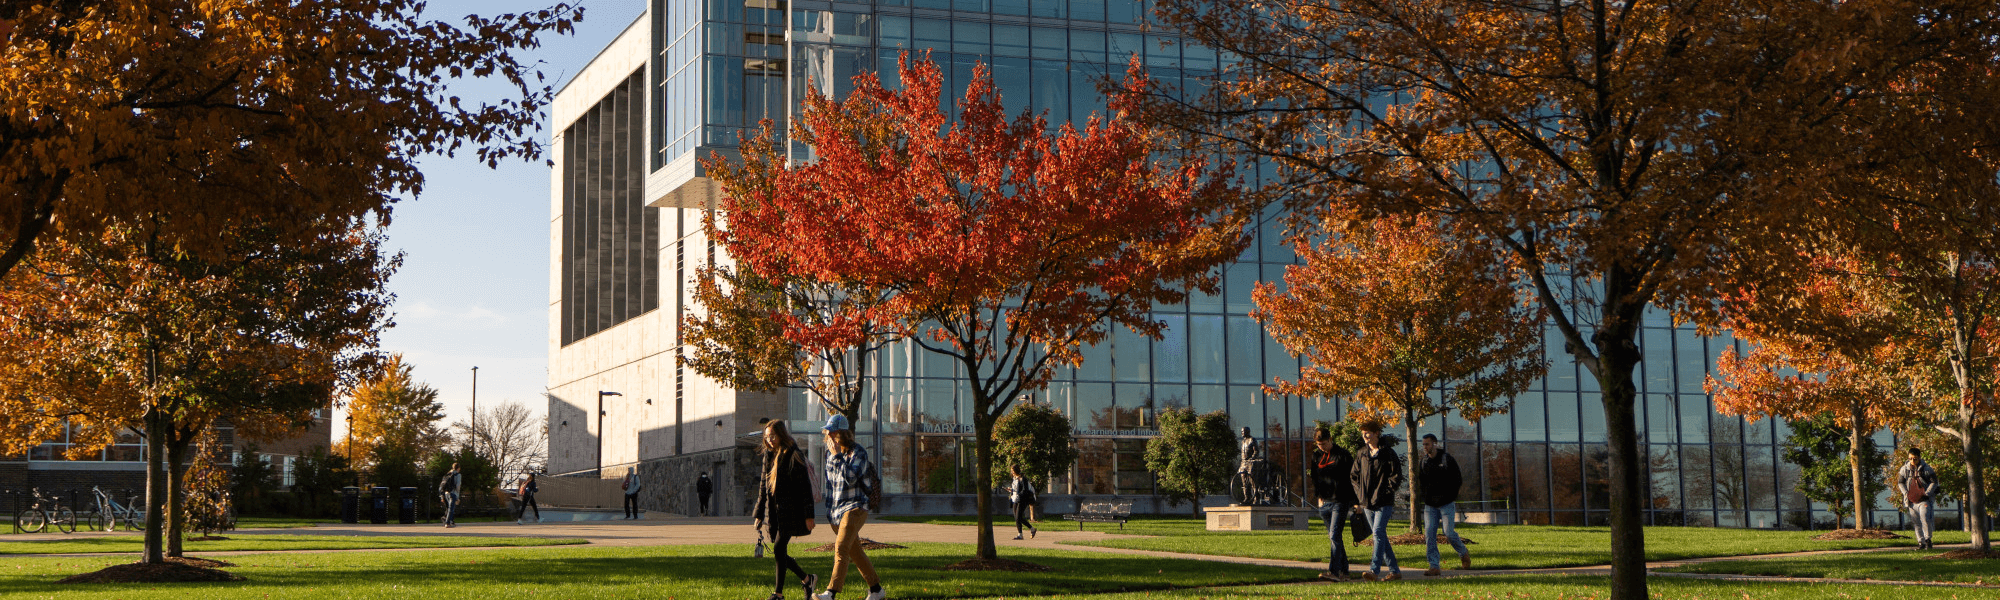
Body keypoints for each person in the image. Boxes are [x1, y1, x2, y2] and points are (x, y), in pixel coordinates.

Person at [814, 414, 884, 600]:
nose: (829, 435)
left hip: (855, 507)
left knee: (841, 549)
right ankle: (876, 589)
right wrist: (829, 514)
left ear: (842, 434)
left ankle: (831, 592)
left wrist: (838, 456)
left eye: (832, 432)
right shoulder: (830, 455)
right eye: (827, 432)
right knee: (856, 552)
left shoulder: (858, 452)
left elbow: (851, 478)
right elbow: (831, 486)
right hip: (836, 512)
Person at [752, 420, 818, 600]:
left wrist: (809, 515)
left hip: (792, 511)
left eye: (772, 436)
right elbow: (763, 485)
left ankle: (778, 594)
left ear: (781, 434)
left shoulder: (793, 454)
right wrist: (759, 513)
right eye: (767, 437)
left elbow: (805, 487)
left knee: (779, 548)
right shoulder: (768, 454)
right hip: (775, 512)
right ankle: (807, 579)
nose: (770, 440)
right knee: (779, 551)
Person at [1351, 421, 1403, 581]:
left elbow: (1396, 476)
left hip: (1383, 502)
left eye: (1367, 432)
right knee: (1379, 535)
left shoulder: (1388, 453)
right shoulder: (1362, 454)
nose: (1364, 436)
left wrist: (1386, 492)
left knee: (1378, 533)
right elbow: (1354, 476)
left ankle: (1374, 570)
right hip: (1367, 503)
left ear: (1376, 433)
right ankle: (1395, 571)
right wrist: (1360, 497)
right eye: (1363, 433)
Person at [1416, 434, 1471, 575]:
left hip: (1446, 503)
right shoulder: (1423, 462)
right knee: (1429, 534)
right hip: (1430, 505)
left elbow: (1457, 480)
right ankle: (1434, 566)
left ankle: (1463, 552)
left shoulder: (1447, 459)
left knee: (1449, 533)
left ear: (1435, 444)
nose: (1425, 447)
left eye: (1427, 444)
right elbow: (1421, 482)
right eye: (1423, 445)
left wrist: (1450, 496)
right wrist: (1425, 496)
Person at [1308, 427, 1357, 581]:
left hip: (1340, 501)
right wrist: (1319, 497)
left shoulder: (1342, 455)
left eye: (1323, 444)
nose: (1321, 447)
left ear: (1330, 440)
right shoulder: (1316, 456)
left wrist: (1355, 502)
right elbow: (1315, 477)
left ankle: (1334, 572)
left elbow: (1353, 479)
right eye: (1318, 444)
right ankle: (1345, 571)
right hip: (1325, 502)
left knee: (1335, 535)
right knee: (1334, 537)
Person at [1899, 447, 1940, 549]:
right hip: (1911, 501)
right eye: (1910, 458)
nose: (1912, 461)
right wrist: (1906, 493)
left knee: (1925, 519)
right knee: (1916, 522)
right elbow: (1900, 482)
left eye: (1915, 458)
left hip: (1924, 500)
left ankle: (1928, 539)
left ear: (1919, 458)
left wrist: (1927, 493)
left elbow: (1934, 482)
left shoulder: (1927, 469)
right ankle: (1920, 542)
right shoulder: (1905, 469)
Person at [1008, 464, 1039, 540]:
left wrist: (1019, 494)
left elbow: (1025, 490)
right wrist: (1011, 490)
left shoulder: (1023, 478)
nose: (1012, 472)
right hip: (1015, 499)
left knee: (1018, 516)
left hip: (1023, 499)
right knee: (1017, 517)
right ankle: (1021, 534)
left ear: (1016, 470)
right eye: (1011, 470)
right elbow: (1016, 488)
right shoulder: (1014, 478)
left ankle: (1029, 530)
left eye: (1013, 470)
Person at [438, 462, 462, 528]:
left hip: (446, 493)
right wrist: (457, 495)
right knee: (451, 509)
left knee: (449, 508)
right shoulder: (458, 475)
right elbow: (458, 486)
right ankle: (447, 523)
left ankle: (450, 520)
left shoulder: (448, 474)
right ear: (458, 468)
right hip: (453, 493)